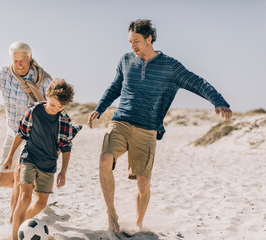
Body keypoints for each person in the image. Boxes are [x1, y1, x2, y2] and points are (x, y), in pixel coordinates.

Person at [88, 19, 232, 234]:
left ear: (149, 39)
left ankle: (138, 223)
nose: (132, 46)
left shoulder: (170, 66)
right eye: (130, 42)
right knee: (104, 161)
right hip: (121, 120)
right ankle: (111, 212)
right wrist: (100, 107)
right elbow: (116, 86)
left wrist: (217, 100)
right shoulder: (126, 60)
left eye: (136, 41)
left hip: (147, 128)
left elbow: (197, 82)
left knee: (143, 183)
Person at [0, 41, 52, 221]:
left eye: (23, 60)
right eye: (15, 60)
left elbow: (55, 108)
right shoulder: (4, 74)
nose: (19, 64)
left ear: (30, 58)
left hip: (33, 135)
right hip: (12, 132)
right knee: (3, 180)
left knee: (18, 175)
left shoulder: (43, 79)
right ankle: (28, 188)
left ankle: (14, 220)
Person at [3, 78, 82, 240]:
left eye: (60, 107)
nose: (55, 109)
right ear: (47, 95)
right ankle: (14, 237)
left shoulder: (64, 120)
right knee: (25, 197)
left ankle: (20, 224)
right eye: (53, 105)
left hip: (49, 165)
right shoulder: (34, 111)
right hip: (29, 158)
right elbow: (21, 133)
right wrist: (10, 156)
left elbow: (66, 147)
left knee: (40, 203)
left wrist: (63, 171)